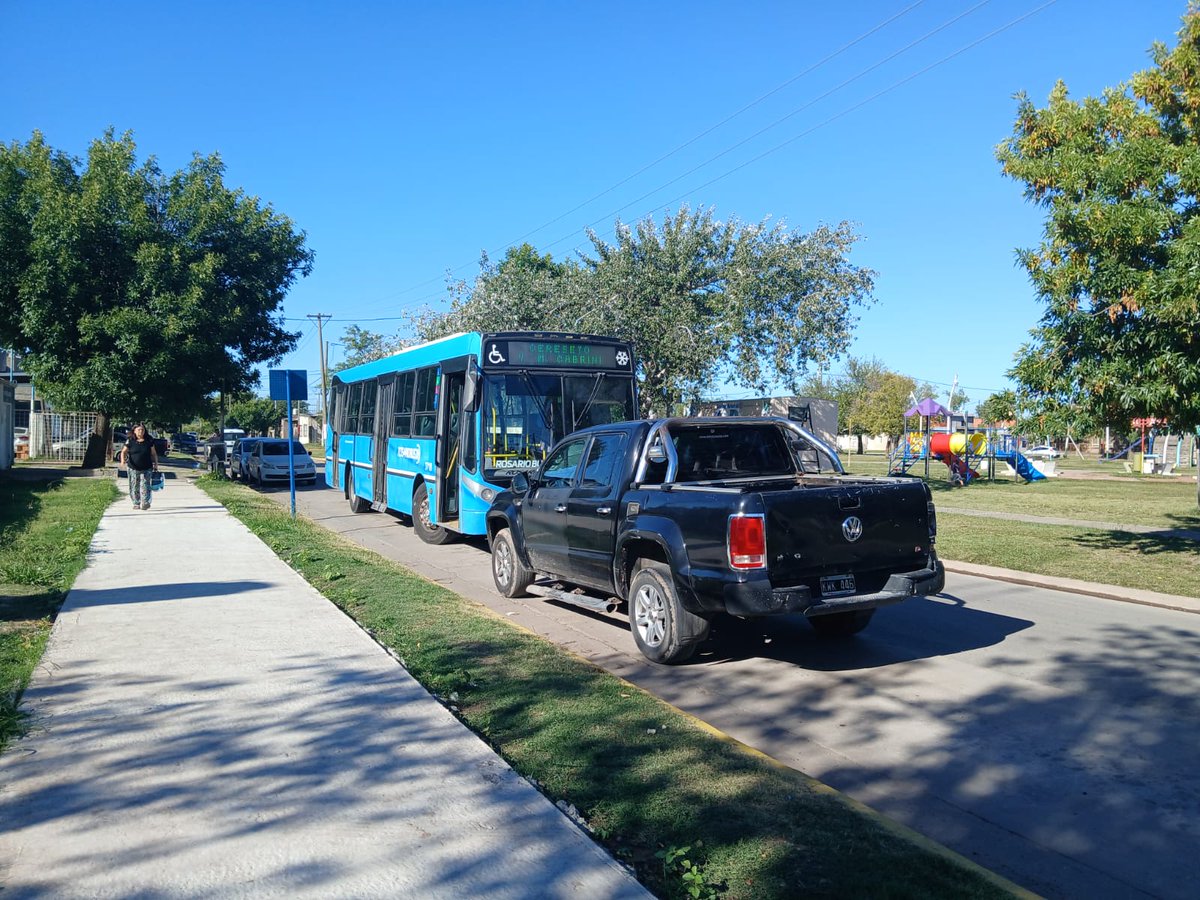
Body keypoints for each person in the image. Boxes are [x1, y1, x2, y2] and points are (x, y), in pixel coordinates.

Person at [121, 423, 159, 510]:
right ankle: (136, 502)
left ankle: (145, 502)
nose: (141, 431)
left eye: (142, 430)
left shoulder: (149, 440)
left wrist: (156, 464)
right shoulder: (130, 440)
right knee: (134, 485)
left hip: (147, 467)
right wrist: (122, 461)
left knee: (145, 485)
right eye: (139, 430)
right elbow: (123, 452)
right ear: (134, 431)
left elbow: (154, 454)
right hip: (133, 468)